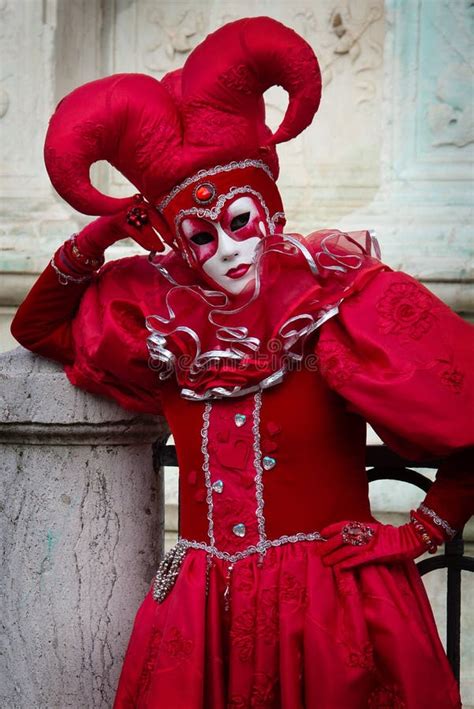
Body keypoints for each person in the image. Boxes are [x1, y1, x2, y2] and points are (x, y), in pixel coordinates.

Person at [11, 16, 473, 709]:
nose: (227, 249)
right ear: (177, 239)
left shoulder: (338, 302)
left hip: (331, 609)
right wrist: (108, 228)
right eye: (200, 235)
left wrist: (421, 528)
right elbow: (36, 324)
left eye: (241, 221)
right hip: (203, 617)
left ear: (271, 211)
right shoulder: (161, 321)